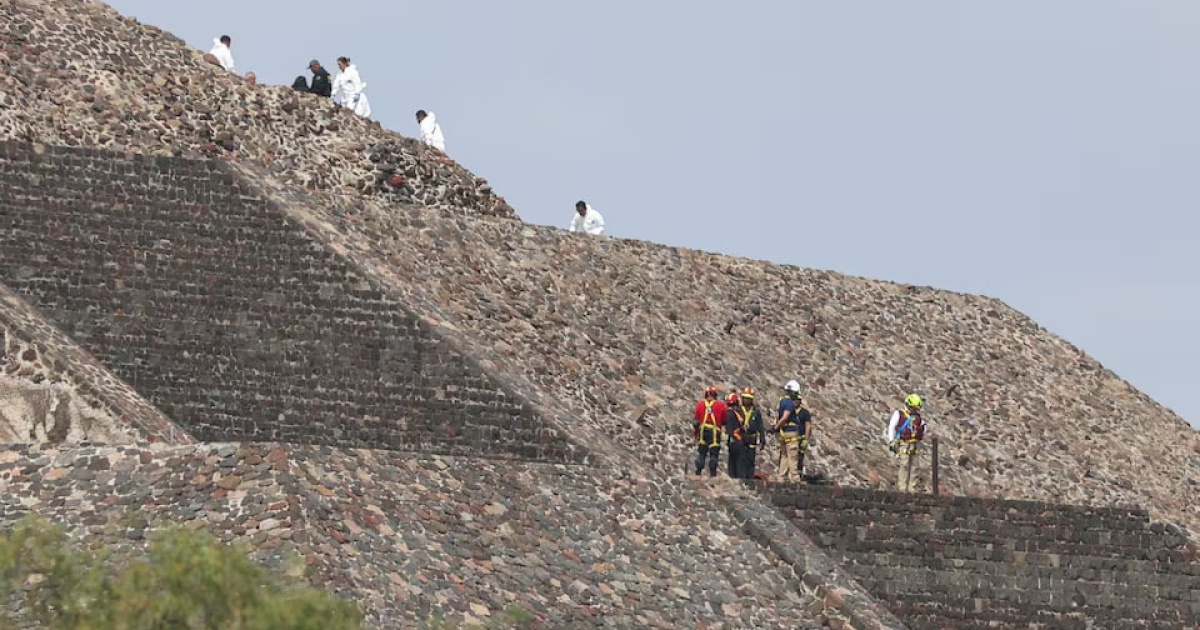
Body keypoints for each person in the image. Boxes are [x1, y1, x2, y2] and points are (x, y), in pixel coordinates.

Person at [885, 394, 927, 492]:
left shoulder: (918, 418)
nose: (915, 410)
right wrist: (892, 440)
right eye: (914, 408)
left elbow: (924, 428)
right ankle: (902, 488)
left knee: (914, 466)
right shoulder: (899, 414)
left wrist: (920, 432)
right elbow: (892, 427)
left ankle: (912, 488)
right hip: (904, 443)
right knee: (904, 465)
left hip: (914, 444)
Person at [774, 380, 811, 482]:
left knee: (784, 455)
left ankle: (781, 477)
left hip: (784, 432)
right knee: (792, 456)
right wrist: (777, 427)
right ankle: (794, 478)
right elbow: (785, 417)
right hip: (791, 433)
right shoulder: (789, 404)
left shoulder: (782, 402)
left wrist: (777, 427)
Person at [692, 387, 727, 477]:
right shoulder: (720, 405)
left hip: (702, 430)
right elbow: (725, 420)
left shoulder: (700, 405)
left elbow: (696, 421)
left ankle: (698, 472)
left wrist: (696, 434)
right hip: (715, 431)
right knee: (714, 453)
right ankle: (712, 473)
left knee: (702, 452)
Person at [731, 387, 764, 479]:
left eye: (748, 398)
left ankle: (749, 477)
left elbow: (760, 426)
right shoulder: (738, 410)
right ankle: (741, 477)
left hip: (751, 438)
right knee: (741, 459)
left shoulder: (756, 412)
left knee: (750, 459)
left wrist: (762, 438)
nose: (746, 400)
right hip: (741, 437)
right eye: (745, 398)